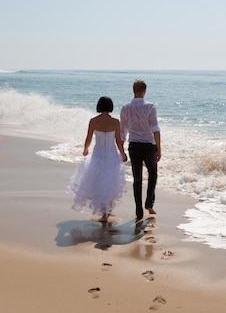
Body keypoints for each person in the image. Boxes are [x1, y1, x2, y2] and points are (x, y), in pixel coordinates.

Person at [68, 96, 127, 223]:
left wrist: (85, 149)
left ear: (99, 106)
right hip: (111, 154)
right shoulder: (116, 122)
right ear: (110, 106)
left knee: (99, 181)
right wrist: (123, 153)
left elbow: (88, 137)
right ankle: (107, 210)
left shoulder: (93, 121)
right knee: (109, 181)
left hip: (98, 154)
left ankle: (105, 211)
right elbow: (118, 141)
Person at [120, 79, 161, 222]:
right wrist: (159, 148)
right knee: (153, 173)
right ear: (144, 91)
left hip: (134, 145)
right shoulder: (150, 107)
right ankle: (149, 203)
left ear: (133, 91)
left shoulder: (125, 108)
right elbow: (155, 129)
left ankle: (138, 211)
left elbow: (122, 131)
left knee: (137, 178)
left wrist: (122, 150)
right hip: (149, 145)